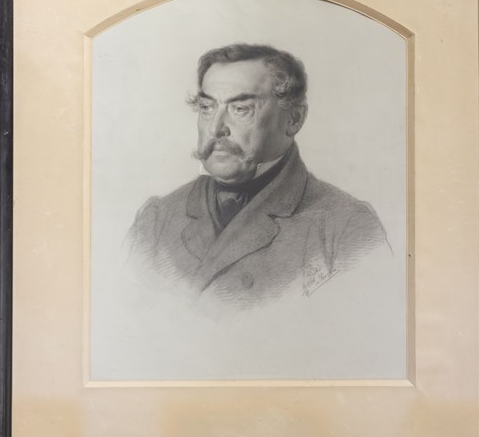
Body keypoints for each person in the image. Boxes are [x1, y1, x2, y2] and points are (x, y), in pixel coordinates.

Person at [127, 43, 387, 305]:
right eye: (207, 107)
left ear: (294, 119)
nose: (216, 128)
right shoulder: (156, 221)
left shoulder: (345, 228)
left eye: (240, 109)